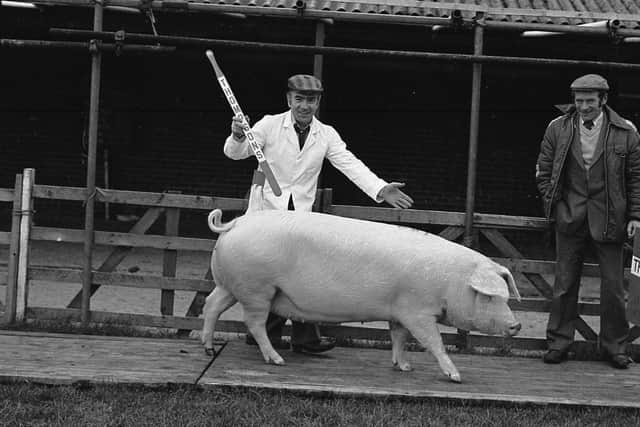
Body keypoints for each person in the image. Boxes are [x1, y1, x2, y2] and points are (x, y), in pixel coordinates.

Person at [223, 74, 414, 354]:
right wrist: (238, 134)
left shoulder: (326, 134)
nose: (304, 106)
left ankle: (303, 339)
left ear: (318, 103)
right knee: (270, 275)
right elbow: (235, 153)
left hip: (301, 219)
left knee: (301, 278)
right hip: (267, 216)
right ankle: (268, 335)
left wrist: (381, 188)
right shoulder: (269, 124)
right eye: (299, 99)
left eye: (310, 100)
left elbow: (350, 163)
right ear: (288, 99)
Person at [536, 74, 640, 369]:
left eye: (589, 102)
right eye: (578, 101)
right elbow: (544, 170)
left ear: (604, 100)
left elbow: (636, 178)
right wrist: (554, 203)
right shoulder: (558, 128)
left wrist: (635, 215)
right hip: (570, 217)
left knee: (613, 288)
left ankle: (614, 348)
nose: (583, 107)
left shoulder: (626, 132)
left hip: (610, 219)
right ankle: (558, 343)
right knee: (564, 284)